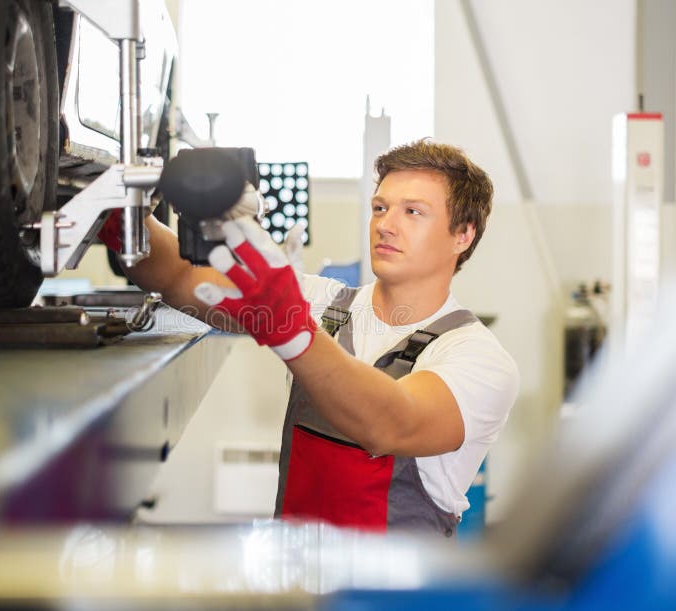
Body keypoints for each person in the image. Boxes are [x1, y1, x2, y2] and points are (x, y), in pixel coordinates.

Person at [102, 139, 519, 538]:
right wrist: (116, 216)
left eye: (413, 212)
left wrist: (292, 327)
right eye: (380, 207)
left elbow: (391, 423)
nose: (385, 225)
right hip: (298, 585)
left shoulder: (478, 358)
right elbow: (181, 276)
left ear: (462, 234)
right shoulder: (323, 303)